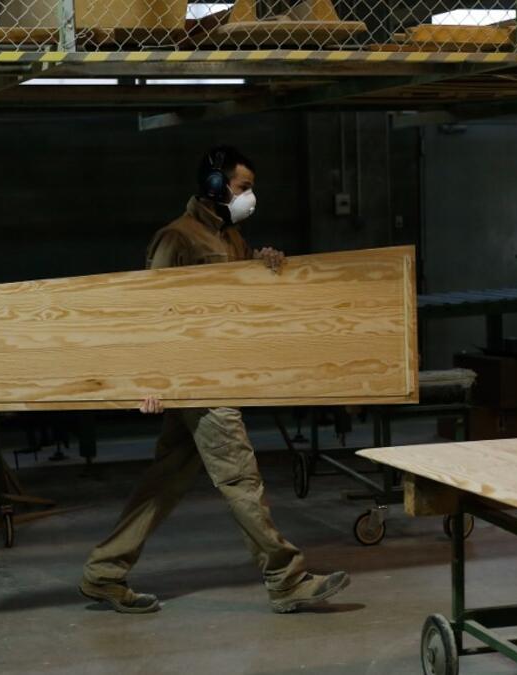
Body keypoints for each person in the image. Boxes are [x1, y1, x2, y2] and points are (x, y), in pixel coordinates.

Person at [80, 146, 350, 614]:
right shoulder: (176, 238)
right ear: (215, 186)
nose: (251, 197)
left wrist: (265, 268)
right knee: (240, 478)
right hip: (193, 382)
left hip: (215, 375)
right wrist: (151, 379)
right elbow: (150, 312)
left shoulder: (233, 239)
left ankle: (104, 573)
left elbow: (236, 306)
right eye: (244, 187)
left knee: (165, 481)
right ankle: (285, 578)